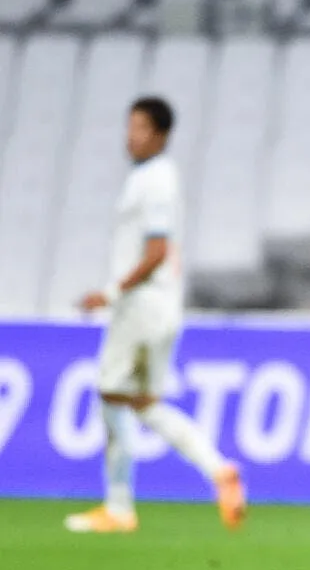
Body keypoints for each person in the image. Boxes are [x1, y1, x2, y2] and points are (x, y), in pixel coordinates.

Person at [66, 96, 246, 534]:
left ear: (161, 134)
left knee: (111, 394)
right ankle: (219, 471)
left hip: (141, 309)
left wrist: (109, 294)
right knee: (144, 403)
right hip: (159, 309)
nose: (131, 135)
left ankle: (119, 506)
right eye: (130, 126)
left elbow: (157, 251)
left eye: (141, 128)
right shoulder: (150, 178)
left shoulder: (157, 181)